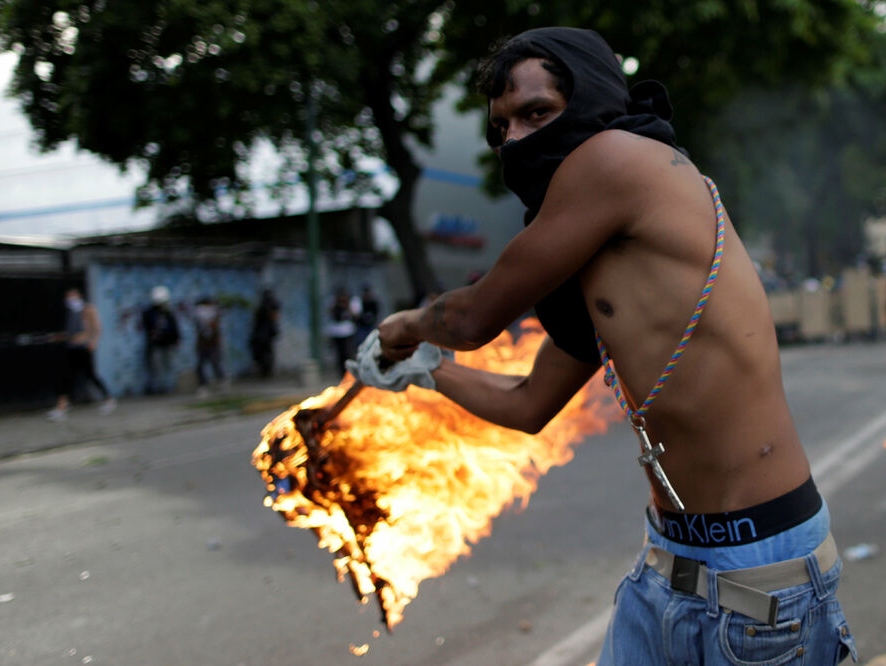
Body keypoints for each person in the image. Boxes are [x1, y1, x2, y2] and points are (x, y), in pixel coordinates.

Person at [349, 28, 856, 665]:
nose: (516, 141)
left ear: (591, 101)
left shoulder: (615, 157)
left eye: (537, 113)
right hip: (669, 564)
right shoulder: (591, 255)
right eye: (500, 127)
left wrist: (401, 331)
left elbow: (475, 317)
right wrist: (424, 372)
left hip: (762, 573)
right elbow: (529, 403)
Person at [48, 288, 116, 420]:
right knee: (65, 376)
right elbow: (70, 333)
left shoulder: (87, 309)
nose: (69, 299)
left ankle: (109, 399)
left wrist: (93, 342)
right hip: (71, 348)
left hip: (83, 348)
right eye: (68, 297)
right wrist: (60, 337)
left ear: (79, 296)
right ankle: (62, 406)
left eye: (72, 296)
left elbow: (96, 328)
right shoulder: (70, 313)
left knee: (90, 375)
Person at [142, 285, 180, 394]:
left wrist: (176, 338)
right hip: (156, 345)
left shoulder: (168, 313)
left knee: (168, 366)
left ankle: (168, 387)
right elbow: (147, 327)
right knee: (156, 367)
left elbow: (174, 326)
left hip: (168, 344)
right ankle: (157, 388)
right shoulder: (149, 313)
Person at [193, 296, 225, 395]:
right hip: (203, 345)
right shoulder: (199, 317)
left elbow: (216, 329)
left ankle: (221, 380)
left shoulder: (214, 316)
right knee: (200, 366)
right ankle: (203, 385)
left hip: (212, 345)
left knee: (215, 363)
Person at [327, 287, 359, 376]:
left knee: (348, 353)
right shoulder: (333, 301)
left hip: (348, 331)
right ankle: (341, 374)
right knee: (339, 354)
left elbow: (355, 315)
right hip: (336, 331)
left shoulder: (352, 301)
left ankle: (350, 373)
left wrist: (346, 305)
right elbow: (330, 312)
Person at [250, 288, 280, 377]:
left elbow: (274, 317)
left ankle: (266, 370)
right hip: (262, 334)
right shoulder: (264, 307)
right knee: (264, 353)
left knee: (266, 353)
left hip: (265, 334)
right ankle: (265, 370)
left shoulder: (268, 306)